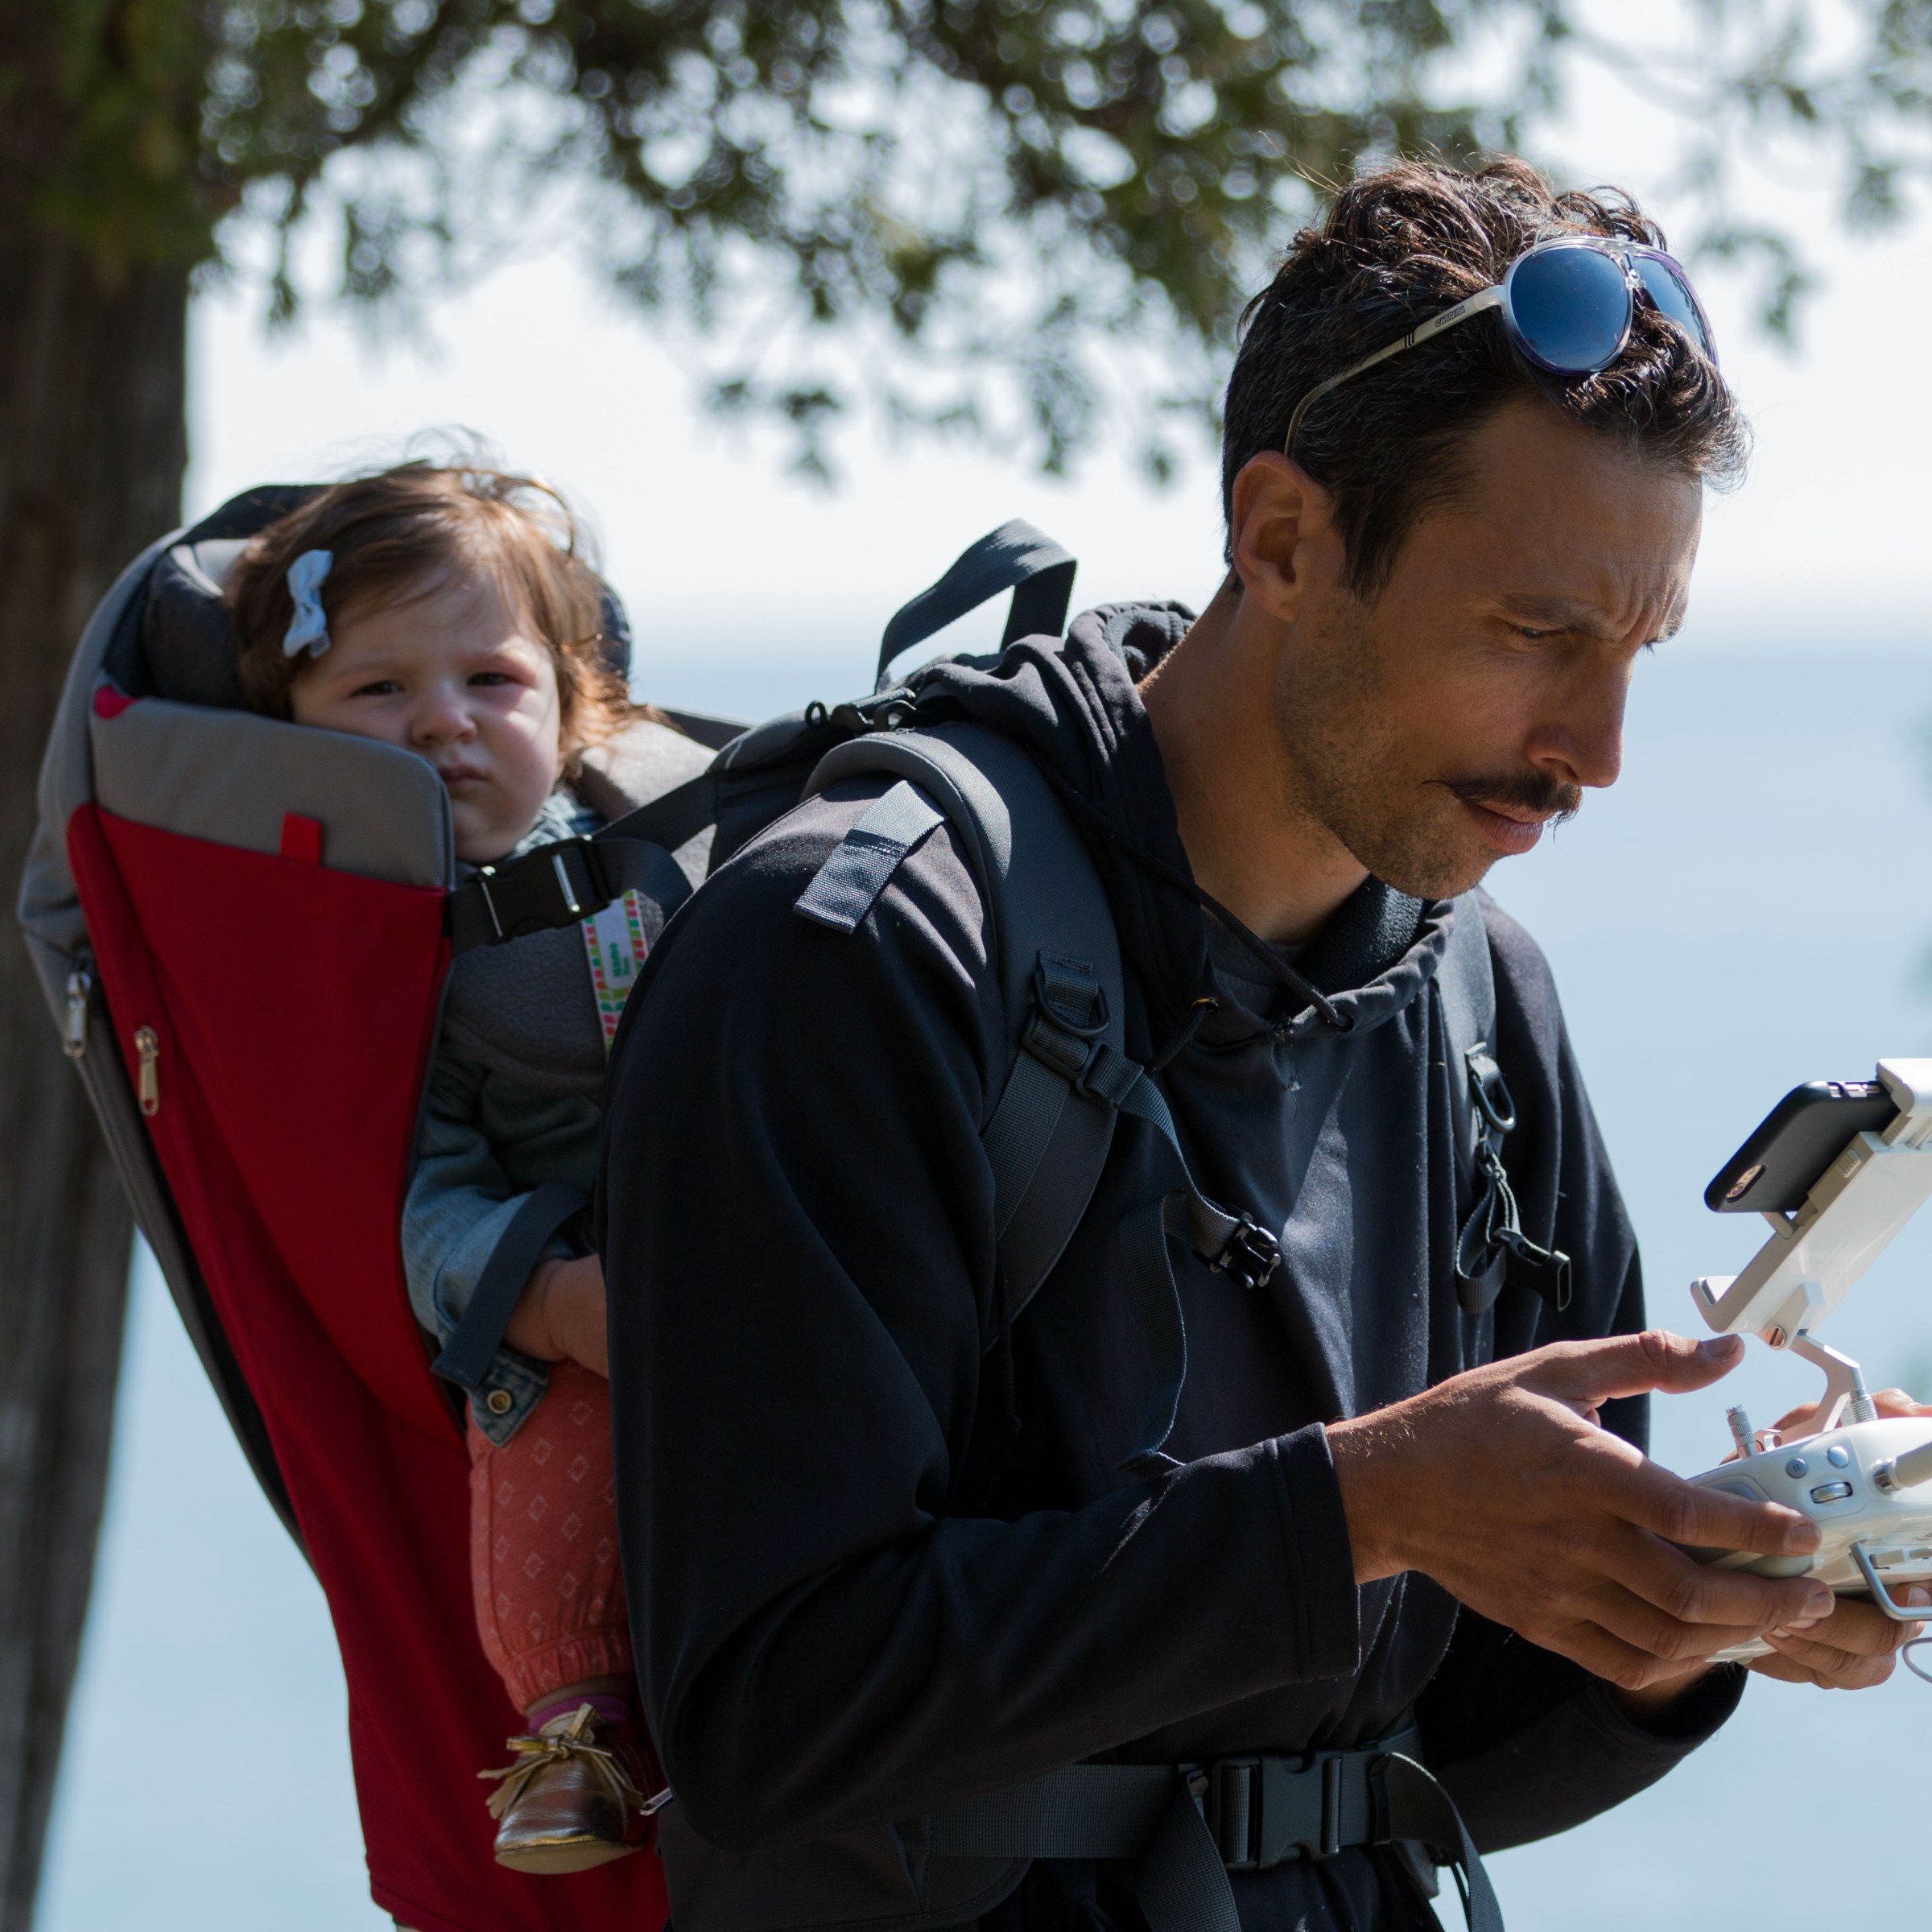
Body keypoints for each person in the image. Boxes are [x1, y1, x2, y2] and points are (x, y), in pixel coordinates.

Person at [599, 156, 1927, 1932]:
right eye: (1535, 634)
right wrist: (1358, 1512)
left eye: (1639, 648)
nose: (1598, 749)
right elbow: (769, 1704)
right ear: (1285, 538)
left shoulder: (1480, 1000)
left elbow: (1437, 1740)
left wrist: (1700, 1618)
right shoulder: (858, 952)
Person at [227, 460, 696, 1874]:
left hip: (737, 1226)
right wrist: (545, 1302)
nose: (442, 720)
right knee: (542, 1455)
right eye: (378, 692)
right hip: (554, 1287)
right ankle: (574, 1736)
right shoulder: (370, 954)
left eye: (490, 680)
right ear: (295, 736)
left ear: (570, 703)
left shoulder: (655, 848)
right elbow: (414, 1192)